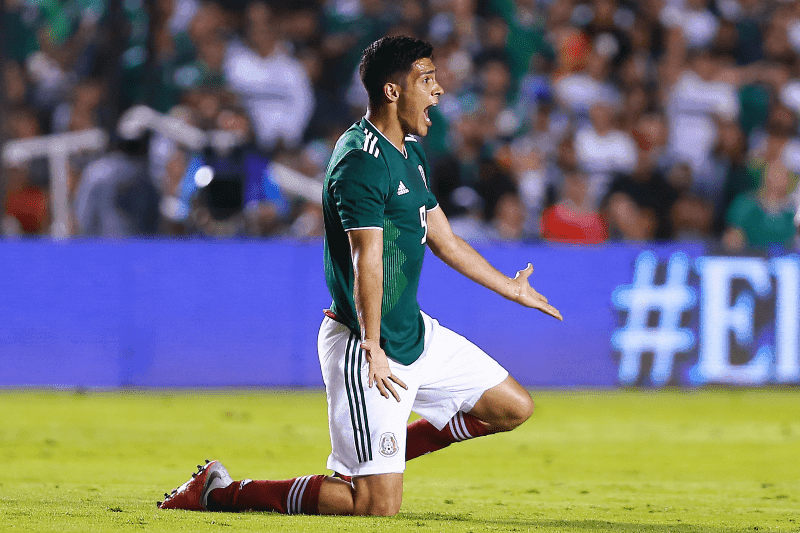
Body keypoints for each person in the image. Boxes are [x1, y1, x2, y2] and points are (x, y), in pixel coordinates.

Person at [157, 35, 562, 517]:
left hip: (412, 333)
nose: (438, 92)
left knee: (512, 407)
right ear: (392, 91)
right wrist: (372, 343)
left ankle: (379, 456)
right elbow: (364, 257)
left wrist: (511, 288)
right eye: (427, 81)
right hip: (363, 344)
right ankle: (217, 492)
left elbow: (445, 240)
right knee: (372, 507)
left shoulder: (410, 153)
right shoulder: (359, 161)